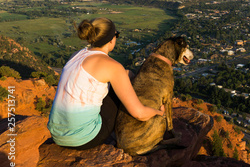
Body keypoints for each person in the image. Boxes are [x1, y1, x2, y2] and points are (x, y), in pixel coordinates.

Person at [47, 17, 164, 150]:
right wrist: (158, 112)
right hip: (84, 138)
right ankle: (120, 134)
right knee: (122, 92)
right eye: (117, 35)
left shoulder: (76, 55)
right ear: (111, 39)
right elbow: (140, 114)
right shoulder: (112, 66)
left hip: (58, 135)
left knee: (124, 76)